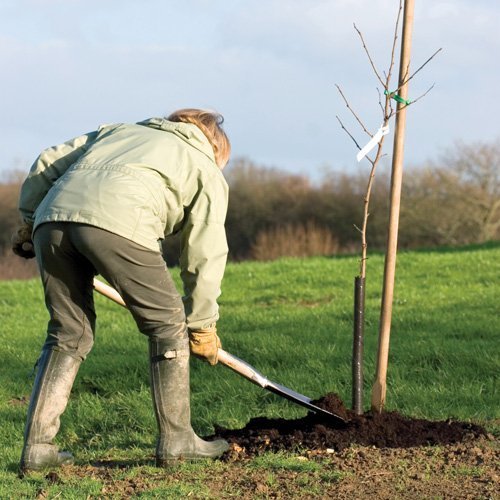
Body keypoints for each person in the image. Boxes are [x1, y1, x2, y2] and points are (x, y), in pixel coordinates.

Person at [12, 109, 231, 472]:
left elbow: (47, 161)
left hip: (51, 220)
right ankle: (177, 441)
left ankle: (37, 448)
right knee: (168, 325)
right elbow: (205, 253)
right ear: (215, 147)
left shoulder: (119, 132)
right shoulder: (204, 165)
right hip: (120, 223)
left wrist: (30, 219)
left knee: (68, 332)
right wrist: (202, 324)